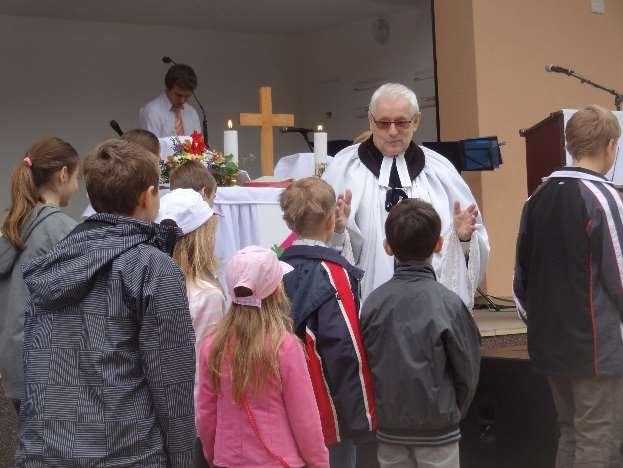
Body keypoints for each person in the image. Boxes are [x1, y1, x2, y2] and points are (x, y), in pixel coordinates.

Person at [16, 139, 196, 467]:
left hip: (46, 450)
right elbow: (173, 385)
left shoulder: (55, 257)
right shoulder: (151, 268)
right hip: (127, 454)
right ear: (149, 195)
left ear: (91, 197)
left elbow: (33, 360)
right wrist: (183, 459)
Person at [514, 105, 623, 468]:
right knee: (599, 440)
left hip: (551, 344)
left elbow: (520, 283)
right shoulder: (605, 199)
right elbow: (621, 277)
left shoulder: (536, 199)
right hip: (598, 350)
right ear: (611, 146)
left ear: (569, 143)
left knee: (571, 433)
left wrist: (544, 328)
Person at [322, 83, 489, 308]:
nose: (392, 131)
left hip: (429, 307)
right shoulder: (344, 168)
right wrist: (338, 230)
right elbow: (319, 241)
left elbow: (472, 245)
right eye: (383, 123)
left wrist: (464, 240)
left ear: (416, 121)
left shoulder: (440, 171)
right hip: (368, 305)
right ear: (371, 121)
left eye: (401, 122)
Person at [361, 198, 481, 468]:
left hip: (389, 425)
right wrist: (451, 411)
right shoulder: (449, 304)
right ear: (439, 244)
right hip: (439, 427)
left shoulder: (373, 303)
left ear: (388, 247)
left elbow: (364, 365)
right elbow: (468, 368)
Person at [196, 246, 329, 467]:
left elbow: (206, 414)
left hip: (228, 458)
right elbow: (305, 418)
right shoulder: (284, 346)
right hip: (279, 460)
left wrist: (214, 455)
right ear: (278, 290)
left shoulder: (212, 344)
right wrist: (319, 462)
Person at [279, 177, 376, 468]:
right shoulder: (334, 274)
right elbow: (345, 349)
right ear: (332, 218)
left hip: (281, 403)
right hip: (325, 410)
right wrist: (364, 419)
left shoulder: (274, 268)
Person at [0, 137, 80, 412]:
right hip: (48, 369)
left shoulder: (13, 222)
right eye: (76, 176)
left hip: (13, 365)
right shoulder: (62, 229)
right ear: (63, 174)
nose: (77, 186)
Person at [158, 187, 225, 468]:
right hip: (194, 417)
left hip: (157, 413)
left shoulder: (153, 283)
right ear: (202, 236)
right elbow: (207, 366)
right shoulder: (206, 294)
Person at [140, 64, 202, 138]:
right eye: (178, 95)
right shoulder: (152, 111)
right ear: (168, 88)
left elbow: (198, 144)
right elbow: (151, 147)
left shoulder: (191, 112)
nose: (182, 101)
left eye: (187, 96)